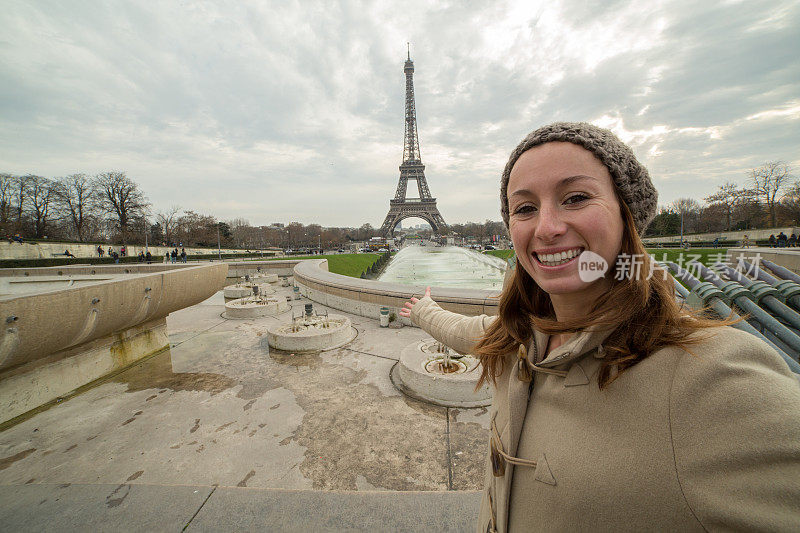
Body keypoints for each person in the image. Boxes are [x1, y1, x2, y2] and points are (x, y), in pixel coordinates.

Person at [400, 122, 800, 531]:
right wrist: (423, 310)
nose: (546, 227)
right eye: (524, 208)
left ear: (627, 216)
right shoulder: (520, 335)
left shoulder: (712, 376)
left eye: (575, 198)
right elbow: (471, 333)